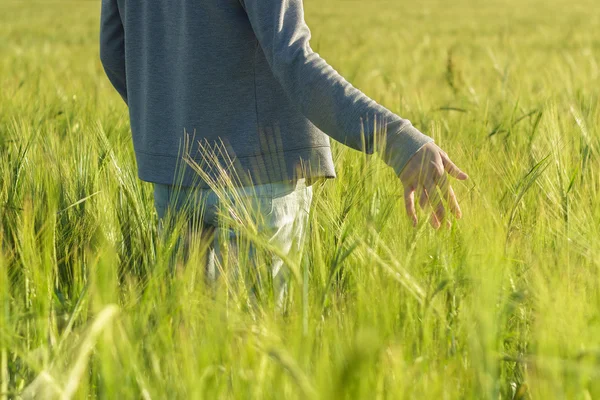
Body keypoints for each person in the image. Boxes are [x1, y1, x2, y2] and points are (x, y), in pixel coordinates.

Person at [99, 0, 468, 296]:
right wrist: (397, 140)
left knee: (190, 348)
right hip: (258, 177)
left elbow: (114, 51)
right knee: (254, 353)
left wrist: (170, 124)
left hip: (172, 177)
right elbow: (292, 57)